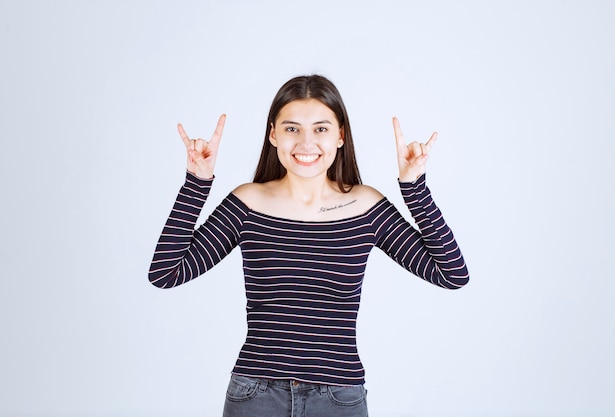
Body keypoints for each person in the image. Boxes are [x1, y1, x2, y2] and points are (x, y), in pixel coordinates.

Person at [149, 74, 469, 417]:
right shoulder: (248, 203)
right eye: (291, 129)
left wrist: (414, 188)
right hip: (256, 395)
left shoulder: (365, 206)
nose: (305, 142)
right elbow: (166, 273)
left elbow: (451, 274)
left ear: (340, 135)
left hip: (338, 397)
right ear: (273, 134)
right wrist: (197, 182)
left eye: (320, 129)